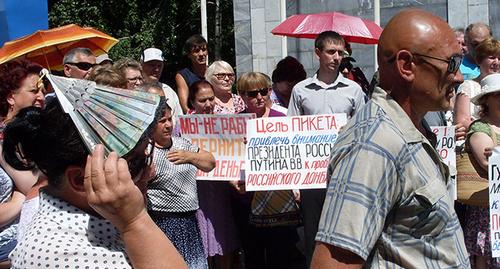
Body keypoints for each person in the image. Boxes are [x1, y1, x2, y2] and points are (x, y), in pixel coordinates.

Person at [311, 9, 469, 268]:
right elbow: (333, 262)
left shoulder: (409, 130)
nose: (460, 76)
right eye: (451, 63)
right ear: (407, 66)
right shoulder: (374, 144)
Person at [5, 87, 187, 268]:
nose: (149, 173)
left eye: (148, 152)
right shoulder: (60, 255)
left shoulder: (108, 214)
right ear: (80, 179)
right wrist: (135, 222)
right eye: (136, 163)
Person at [286, 30, 366, 267]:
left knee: (346, 235)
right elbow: (290, 135)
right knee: (313, 236)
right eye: (331, 52)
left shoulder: (354, 90)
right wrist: (294, 183)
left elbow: (364, 130)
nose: (336, 57)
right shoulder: (300, 90)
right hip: (312, 177)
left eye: (340, 52)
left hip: (345, 173)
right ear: (318, 54)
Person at [236, 72, 302, 269]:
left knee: (280, 255)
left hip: (278, 197)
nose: (259, 97)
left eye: (263, 91)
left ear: (270, 91)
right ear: (242, 96)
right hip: (246, 195)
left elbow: (296, 155)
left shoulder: (283, 118)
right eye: (252, 93)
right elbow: (228, 159)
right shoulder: (235, 123)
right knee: (252, 254)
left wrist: (297, 187)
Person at [178, 80, 240, 269]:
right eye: (202, 100)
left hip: (222, 191)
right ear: (192, 103)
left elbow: (238, 154)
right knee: (201, 241)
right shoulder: (182, 127)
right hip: (195, 192)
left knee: (224, 236)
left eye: (211, 99)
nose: (208, 104)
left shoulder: (228, 122)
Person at [147, 103, 216, 268]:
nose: (168, 125)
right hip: (163, 222)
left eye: (170, 119)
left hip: (189, 222)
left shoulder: (182, 144)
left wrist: (189, 156)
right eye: (162, 121)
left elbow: (210, 162)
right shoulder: (147, 150)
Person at [0, 59, 46, 267]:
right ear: (11, 97)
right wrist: (20, 198)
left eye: (43, 91)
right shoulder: (2, 140)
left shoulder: (38, 133)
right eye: (33, 91)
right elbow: (34, 187)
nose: (41, 98)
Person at [464, 73, 500, 268]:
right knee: (484, 255)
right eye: (497, 95)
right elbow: (489, 164)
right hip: (489, 208)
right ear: (486, 100)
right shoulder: (481, 128)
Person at [455, 37, 500, 130]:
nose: (496, 62)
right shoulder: (468, 86)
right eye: (492, 58)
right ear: (479, 61)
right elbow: (461, 121)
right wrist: (489, 130)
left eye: (499, 58)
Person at [141, 48, 183, 124]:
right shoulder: (134, 91)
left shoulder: (169, 91)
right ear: (141, 65)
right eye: (152, 65)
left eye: (159, 65)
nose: (156, 69)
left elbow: (179, 121)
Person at [176, 35, 208, 114]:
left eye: (203, 50)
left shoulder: (215, 73)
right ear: (189, 54)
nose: (201, 54)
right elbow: (185, 108)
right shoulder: (183, 76)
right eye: (197, 51)